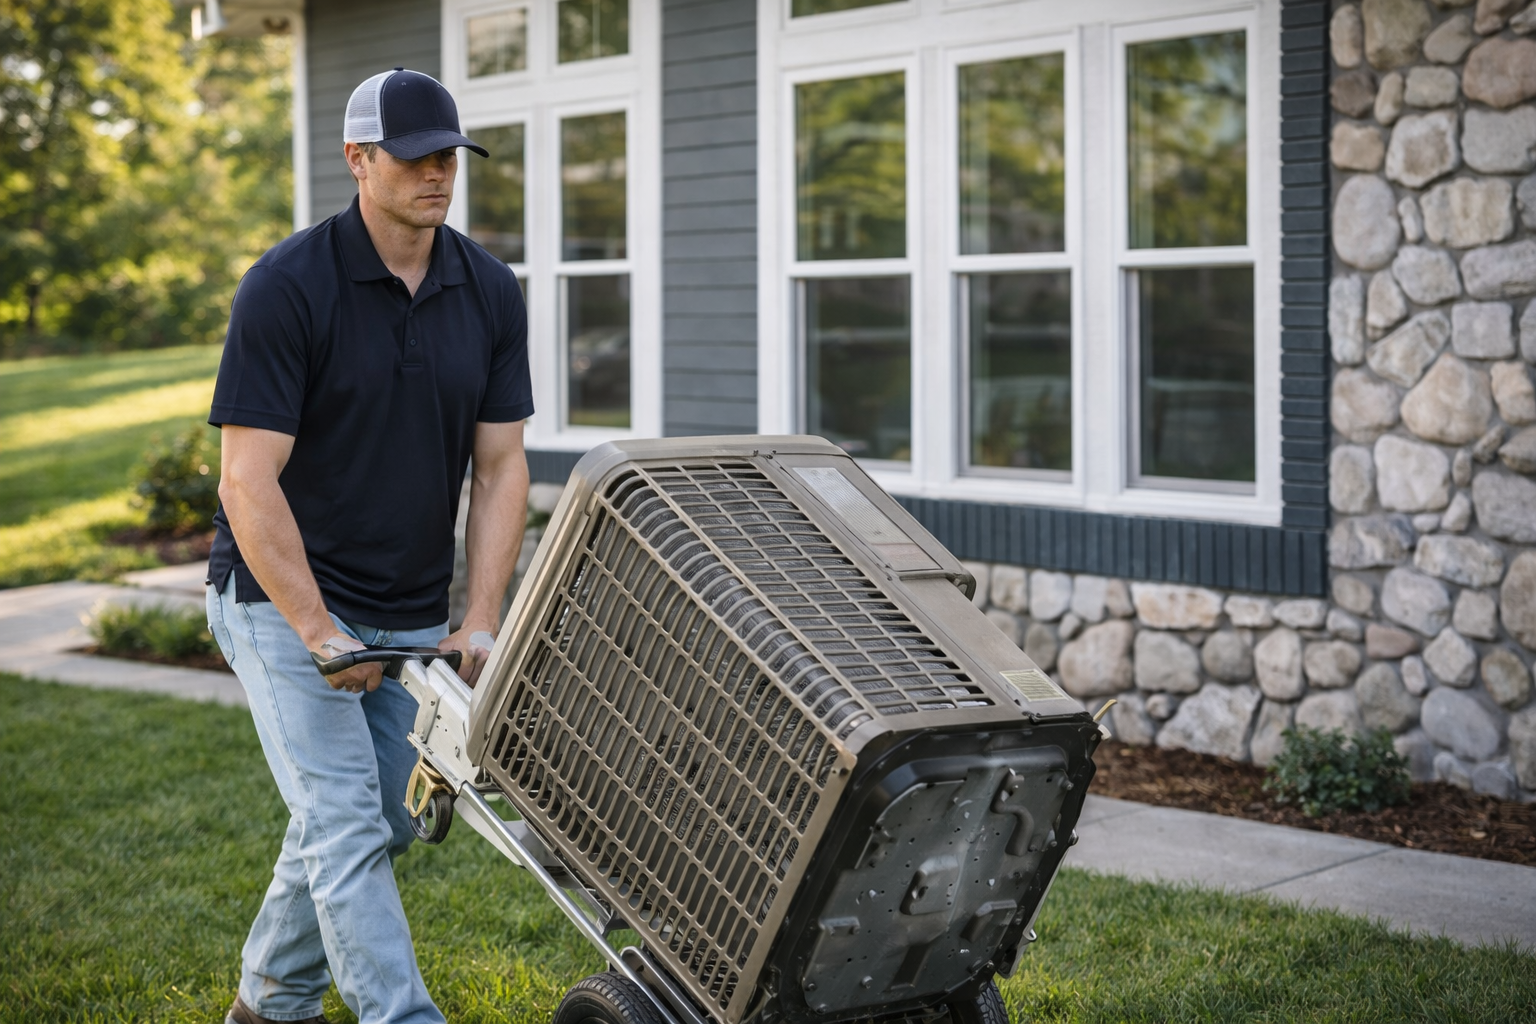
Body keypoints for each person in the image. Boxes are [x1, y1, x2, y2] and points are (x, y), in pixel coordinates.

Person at [204, 67, 532, 1024]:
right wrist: (315, 631)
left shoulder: (488, 287)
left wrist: (479, 618)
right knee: (342, 820)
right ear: (357, 159)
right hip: (280, 597)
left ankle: (266, 1001)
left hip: (406, 608)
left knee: (382, 819)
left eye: (449, 156)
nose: (437, 173)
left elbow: (502, 465)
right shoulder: (285, 288)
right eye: (414, 156)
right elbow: (244, 480)